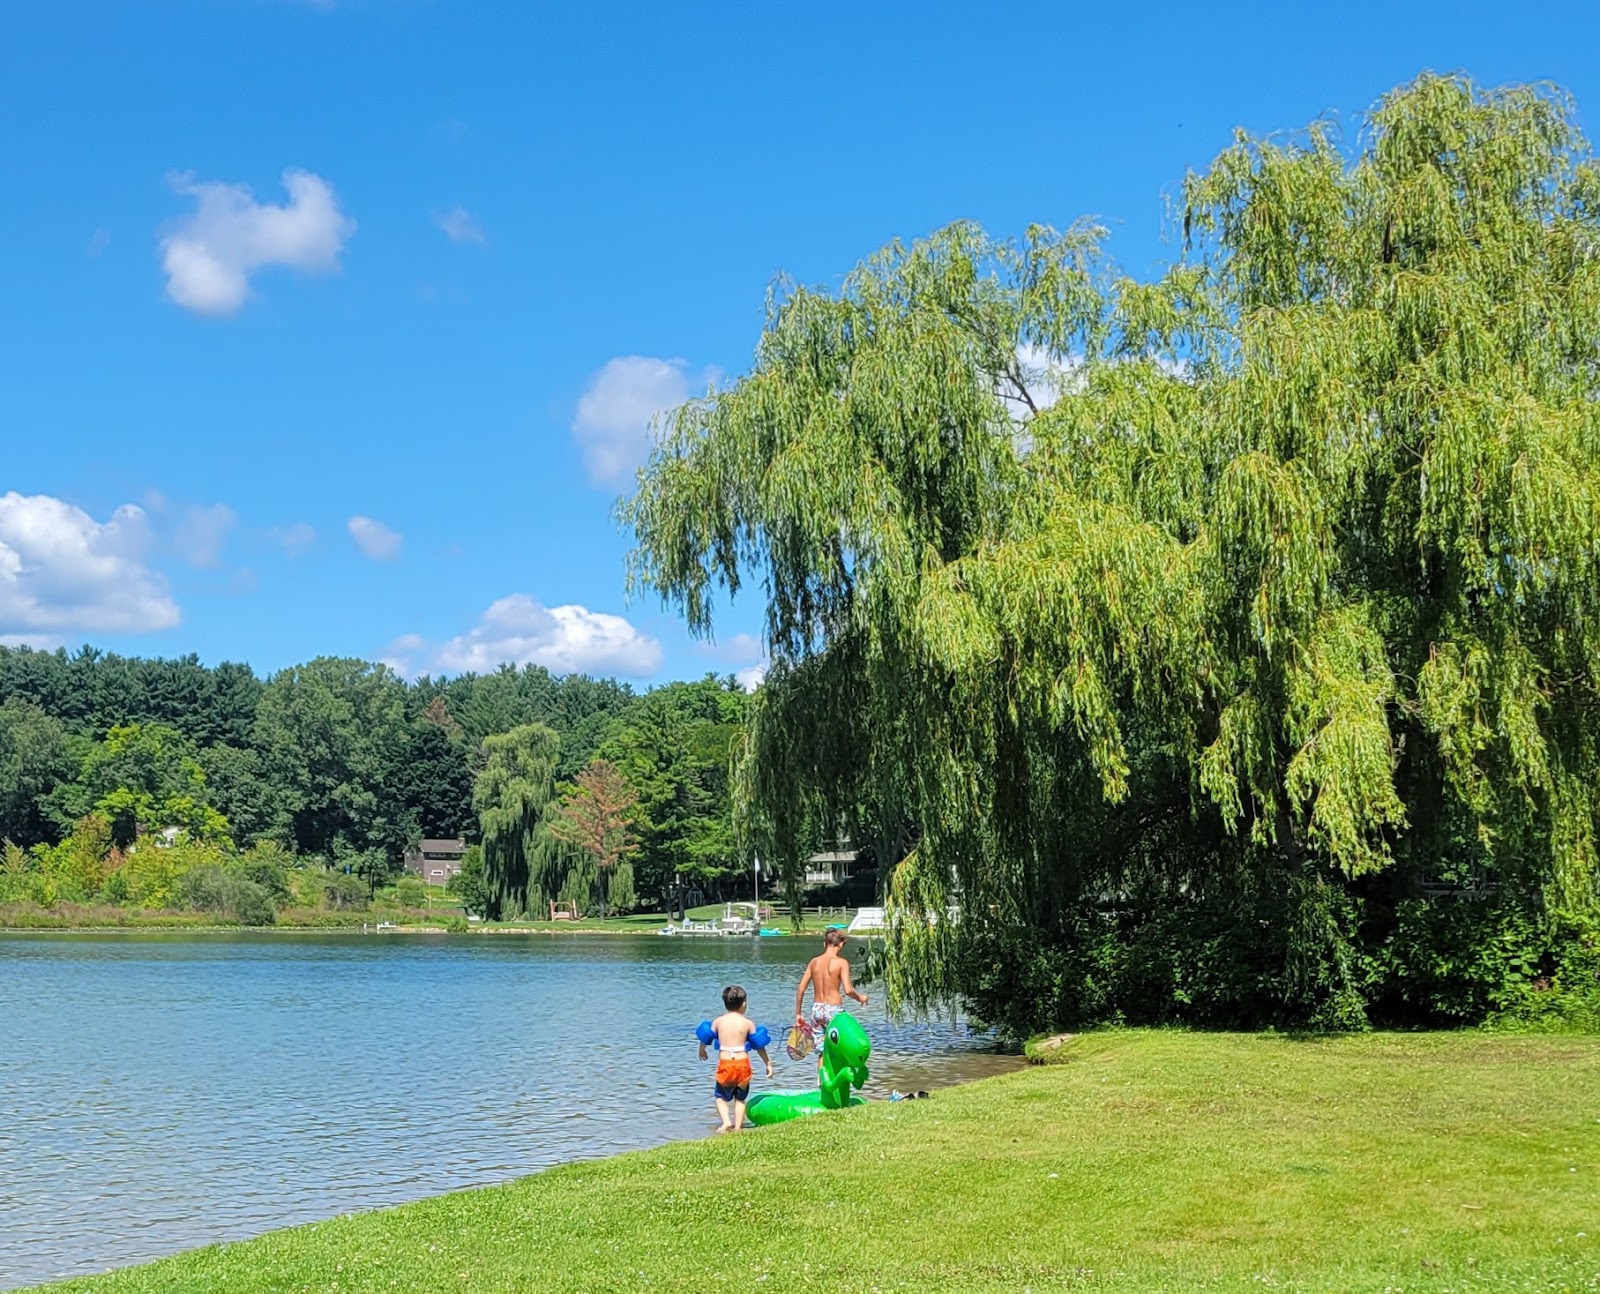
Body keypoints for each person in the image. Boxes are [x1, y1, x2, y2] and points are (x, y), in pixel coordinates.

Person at [699, 984, 772, 1132]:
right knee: (740, 1099)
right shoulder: (747, 1023)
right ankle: (738, 1127)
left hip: (726, 1064)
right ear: (744, 1003)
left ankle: (726, 1122)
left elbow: (706, 1037)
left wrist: (702, 1050)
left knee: (720, 1096)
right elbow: (759, 1045)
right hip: (742, 1064)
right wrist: (768, 1063)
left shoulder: (718, 1022)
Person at [794, 928, 869, 1037]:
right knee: (839, 1046)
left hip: (817, 1010)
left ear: (825, 944)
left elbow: (801, 989)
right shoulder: (841, 963)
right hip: (833, 1010)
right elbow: (848, 990)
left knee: (821, 1048)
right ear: (841, 944)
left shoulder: (814, 962)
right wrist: (860, 998)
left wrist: (798, 1014)